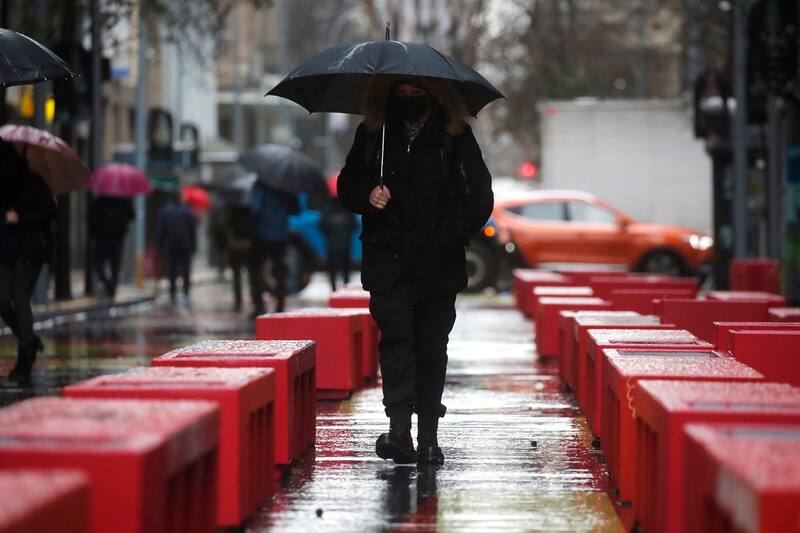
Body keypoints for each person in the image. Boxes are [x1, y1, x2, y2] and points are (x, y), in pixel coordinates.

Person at [337, 77, 494, 465]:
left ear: (434, 93)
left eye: (416, 91)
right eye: (400, 91)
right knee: (396, 346)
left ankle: (428, 438)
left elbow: (479, 198)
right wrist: (368, 194)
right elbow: (347, 183)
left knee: (430, 350)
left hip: (438, 265)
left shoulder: (454, 135)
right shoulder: (374, 133)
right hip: (388, 263)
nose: (407, 98)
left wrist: (444, 236)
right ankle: (399, 433)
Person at [0, 138, 57, 380]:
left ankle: (25, 354)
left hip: (28, 251)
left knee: (21, 300)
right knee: (2, 300)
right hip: (4, 249)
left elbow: (49, 212)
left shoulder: (33, 183)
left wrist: (20, 217)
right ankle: (29, 338)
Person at [247, 181, 300, 317]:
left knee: (256, 269)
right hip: (281, 234)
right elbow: (295, 209)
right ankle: (280, 305)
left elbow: (255, 209)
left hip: (262, 234)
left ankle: (259, 306)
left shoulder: (260, 185)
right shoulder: (287, 187)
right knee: (279, 269)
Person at [89, 195, 134, 298]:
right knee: (115, 267)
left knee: (98, 263)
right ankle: (112, 288)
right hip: (117, 240)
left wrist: (94, 234)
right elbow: (132, 215)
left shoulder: (98, 202)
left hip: (102, 239)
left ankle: (108, 284)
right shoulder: (122, 202)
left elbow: (92, 219)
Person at [156, 194, 197, 305]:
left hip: (171, 245)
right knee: (186, 269)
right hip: (185, 245)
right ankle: (186, 292)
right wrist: (194, 246)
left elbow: (161, 230)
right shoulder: (188, 211)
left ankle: (173, 293)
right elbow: (192, 231)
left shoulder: (166, 211)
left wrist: (160, 245)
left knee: (172, 269)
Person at [319, 194, 358, 291]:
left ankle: (333, 289)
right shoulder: (348, 208)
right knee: (346, 269)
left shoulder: (327, 209)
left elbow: (322, 225)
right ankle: (346, 288)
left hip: (331, 244)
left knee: (332, 269)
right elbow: (354, 225)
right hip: (346, 244)